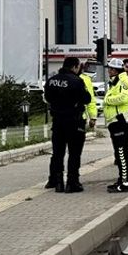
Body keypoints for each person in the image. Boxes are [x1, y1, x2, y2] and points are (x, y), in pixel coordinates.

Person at [43, 56, 91, 193]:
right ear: (75, 67)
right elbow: (86, 99)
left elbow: (48, 98)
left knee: (58, 153)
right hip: (74, 121)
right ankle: (72, 182)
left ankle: (57, 182)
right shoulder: (77, 81)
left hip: (57, 121)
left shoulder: (52, 80)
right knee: (74, 153)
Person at [102, 57, 128, 193]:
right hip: (116, 121)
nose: (108, 71)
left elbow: (122, 98)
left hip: (121, 121)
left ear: (115, 70)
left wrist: (107, 100)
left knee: (122, 153)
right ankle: (122, 180)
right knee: (120, 152)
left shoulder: (123, 81)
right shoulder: (116, 81)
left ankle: (125, 183)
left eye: (110, 69)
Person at [79, 62, 101, 131]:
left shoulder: (61, 79)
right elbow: (90, 99)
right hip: (80, 117)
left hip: (62, 117)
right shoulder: (85, 79)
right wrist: (93, 117)